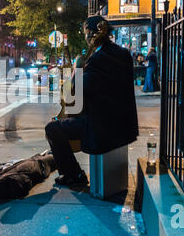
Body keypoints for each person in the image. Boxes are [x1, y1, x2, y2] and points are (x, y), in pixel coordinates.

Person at [45, 16, 139, 189]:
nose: (85, 37)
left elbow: (74, 95)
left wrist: (77, 70)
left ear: (92, 35)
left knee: (53, 128)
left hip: (101, 126)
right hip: (124, 125)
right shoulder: (124, 54)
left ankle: (73, 175)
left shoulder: (96, 60)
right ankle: (74, 173)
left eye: (86, 33)